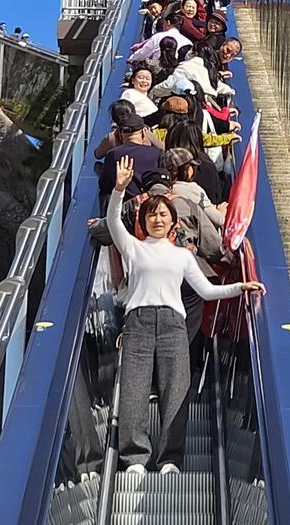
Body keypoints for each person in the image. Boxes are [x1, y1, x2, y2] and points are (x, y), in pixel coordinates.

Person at [106, 157, 264, 475]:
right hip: (137, 322)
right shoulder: (133, 248)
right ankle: (134, 458)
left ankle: (170, 459)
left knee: (176, 391)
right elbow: (112, 223)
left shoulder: (183, 256)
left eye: (163, 214)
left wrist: (240, 287)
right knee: (134, 389)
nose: (157, 219)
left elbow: (207, 291)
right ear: (143, 220)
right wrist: (119, 190)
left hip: (173, 324)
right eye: (152, 215)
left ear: (173, 222)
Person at [97, 111, 165, 204]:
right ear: (143, 132)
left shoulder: (112, 155)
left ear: (121, 134)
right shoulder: (156, 154)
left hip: (123, 204)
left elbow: (104, 184)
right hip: (150, 204)